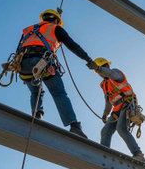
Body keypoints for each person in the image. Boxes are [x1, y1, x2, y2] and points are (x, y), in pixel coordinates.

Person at [15, 9, 93, 137]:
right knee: (59, 93)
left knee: (35, 91)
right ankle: (74, 126)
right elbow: (73, 46)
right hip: (42, 62)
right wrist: (88, 59)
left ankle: (37, 116)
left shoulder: (28, 30)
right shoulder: (56, 28)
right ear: (56, 20)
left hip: (23, 64)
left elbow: (20, 47)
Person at [87, 57, 145, 162]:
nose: (99, 73)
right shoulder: (104, 85)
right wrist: (105, 113)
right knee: (105, 131)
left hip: (127, 104)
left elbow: (111, 74)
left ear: (107, 66)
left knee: (121, 129)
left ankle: (138, 154)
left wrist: (98, 68)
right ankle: (103, 156)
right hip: (117, 109)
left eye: (100, 69)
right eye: (97, 71)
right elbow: (109, 102)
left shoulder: (116, 74)